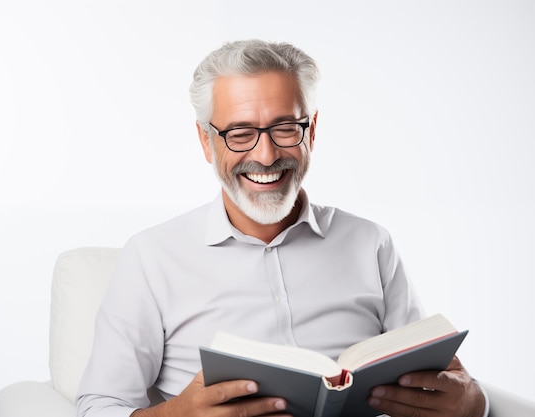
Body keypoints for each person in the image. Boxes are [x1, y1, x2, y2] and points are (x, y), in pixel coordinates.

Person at [77, 39, 488, 417]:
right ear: (206, 142)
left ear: (312, 130)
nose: (267, 154)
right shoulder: (153, 256)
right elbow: (99, 405)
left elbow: (432, 373)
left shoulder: (370, 243)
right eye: (240, 133)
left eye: (285, 128)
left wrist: (473, 402)